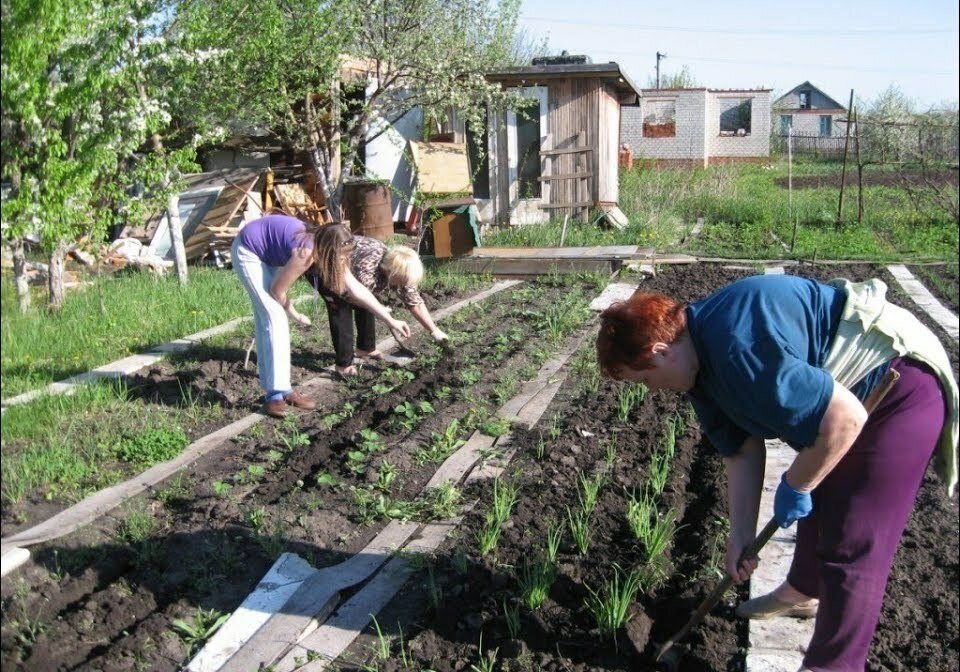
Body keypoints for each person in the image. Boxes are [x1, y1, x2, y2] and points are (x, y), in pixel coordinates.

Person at [595, 274, 957, 672]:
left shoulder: (738, 349)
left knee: (852, 541)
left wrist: (796, 483)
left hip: (898, 386)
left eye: (644, 379)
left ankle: (833, 666)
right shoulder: (697, 372)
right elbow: (741, 451)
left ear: (660, 351)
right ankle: (802, 589)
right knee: (819, 492)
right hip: (847, 400)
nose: (651, 391)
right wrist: (739, 537)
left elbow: (845, 418)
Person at [232, 214, 410, 418]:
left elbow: (357, 290)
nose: (343, 260)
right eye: (341, 256)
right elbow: (277, 291)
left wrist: (391, 320)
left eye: (346, 256)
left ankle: (283, 390)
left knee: (271, 320)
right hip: (249, 250)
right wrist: (295, 313)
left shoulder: (330, 246)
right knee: (274, 317)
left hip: (267, 250)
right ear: (327, 250)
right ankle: (275, 395)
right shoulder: (305, 253)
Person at [311, 231, 447, 376]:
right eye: (401, 281)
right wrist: (388, 319)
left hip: (353, 274)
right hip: (325, 264)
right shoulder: (368, 266)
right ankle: (343, 364)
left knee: (371, 302)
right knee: (341, 308)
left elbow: (414, 301)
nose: (403, 285)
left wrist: (434, 330)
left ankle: (366, 348)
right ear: (390, 272)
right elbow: (355, 296)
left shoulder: (402, 269)